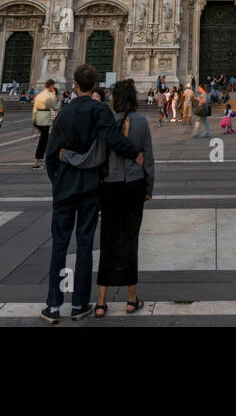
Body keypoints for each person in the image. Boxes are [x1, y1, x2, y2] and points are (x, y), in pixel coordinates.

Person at [41, 64, 143, 324]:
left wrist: (59, 181)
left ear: (75, 85)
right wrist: (135, 153)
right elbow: (113, 140)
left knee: (59, 246)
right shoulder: (101, 111)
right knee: (85, 244)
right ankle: (78, 304)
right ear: (95, 84)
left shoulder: (63, 114)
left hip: (64, 188)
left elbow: (51, 156)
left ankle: (53, 306)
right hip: (89, 187)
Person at [62, 79, 155, 318]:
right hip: (134, 186)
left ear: (114, 99)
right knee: (130, 240)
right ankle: (132, 299)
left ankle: (101, 302)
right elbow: (149, 159)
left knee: (108, 240)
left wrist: (68, 156)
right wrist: (149, 188)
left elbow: (95, 157)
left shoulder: (106, 122)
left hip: (110, 187)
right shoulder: (142, 122)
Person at [32, 80, 60, 171]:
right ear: (51, 85)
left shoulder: (39, 95)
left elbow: (34, 109)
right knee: (43, 141)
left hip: (38, 118)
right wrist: (58, 101)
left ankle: (40, 159)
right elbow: (56, 107)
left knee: (44, 140)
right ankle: (36, 163)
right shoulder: (50, 95)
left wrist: (34, 120)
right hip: (45, 120)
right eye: (53, 86)